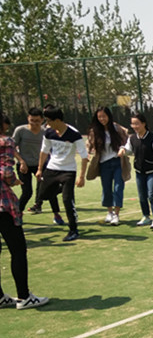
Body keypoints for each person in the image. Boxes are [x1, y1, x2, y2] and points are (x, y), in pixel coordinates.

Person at [0, 113, 49, 310]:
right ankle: (24, 296)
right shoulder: (5, 141)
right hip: (2, 204)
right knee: (18, 249)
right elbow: (6, 172)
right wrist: (14, 181)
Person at [36, 105, 88, 242]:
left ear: (57, 120)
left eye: (49, 121)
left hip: (68, 171)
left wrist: (81, 177)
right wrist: (40, 169)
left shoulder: (74, 134)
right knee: (43, 195)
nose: (47, 124)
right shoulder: (49, 133)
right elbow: (44, 151)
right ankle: (62, 189)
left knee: (67, 200)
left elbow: (84, 157)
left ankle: (73, 230)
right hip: (52, 169)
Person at [12, 107, 62, 223]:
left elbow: (53, 148)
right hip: (24, 166)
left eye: (37, 121)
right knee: (27, 192)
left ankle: (57, 215)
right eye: (32, 120)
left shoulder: (46, 132)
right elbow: (12, 148)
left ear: (42, 120)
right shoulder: (20, 130)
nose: (34, 123)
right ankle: (17, 214)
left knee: (49, 189)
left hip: (41, 165)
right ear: (28, 119)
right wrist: (22, 161)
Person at [119, 113, 153, 231]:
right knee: (142, 196)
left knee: (151, 195)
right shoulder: (132, 138)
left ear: (144, 124)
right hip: (139, 171)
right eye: (133, 124)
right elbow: (129, 150)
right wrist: (123, 150)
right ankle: (146, 216)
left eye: (137, 123)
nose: (134, 126)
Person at [86, 107, 129, 226]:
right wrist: (87, 153)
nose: (102, 119)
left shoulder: (117, 128)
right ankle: (109, 212)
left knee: (118, 188)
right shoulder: (95, 130)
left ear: (109, 116)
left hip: (117, 162)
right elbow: (89, 144)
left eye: (104, 116)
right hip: (104, 163)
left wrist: (123, 149)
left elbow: (127, 141)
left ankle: (116, 214)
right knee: (106, 188)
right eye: (99, 117)